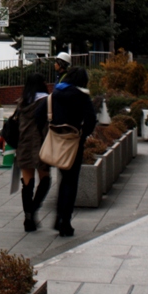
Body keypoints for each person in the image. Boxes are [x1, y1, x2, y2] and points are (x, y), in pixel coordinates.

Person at [37, 66, 97, 237]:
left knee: (62, 179)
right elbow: (91, 119)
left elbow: (38, 115)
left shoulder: (54, 95)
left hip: (55, 142)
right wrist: (82, 135)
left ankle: (59, 217)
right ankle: (64, 221)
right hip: (73, 144)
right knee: (70, 182)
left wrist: (48, 131)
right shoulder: (83, 97)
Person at [16, 73, 51, 232]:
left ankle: (27, 218)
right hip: (41, 146)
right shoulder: (46, 102)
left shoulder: (21, 103)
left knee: (27, 182)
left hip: (24, 146)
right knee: (45, 178)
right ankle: (34, 210)